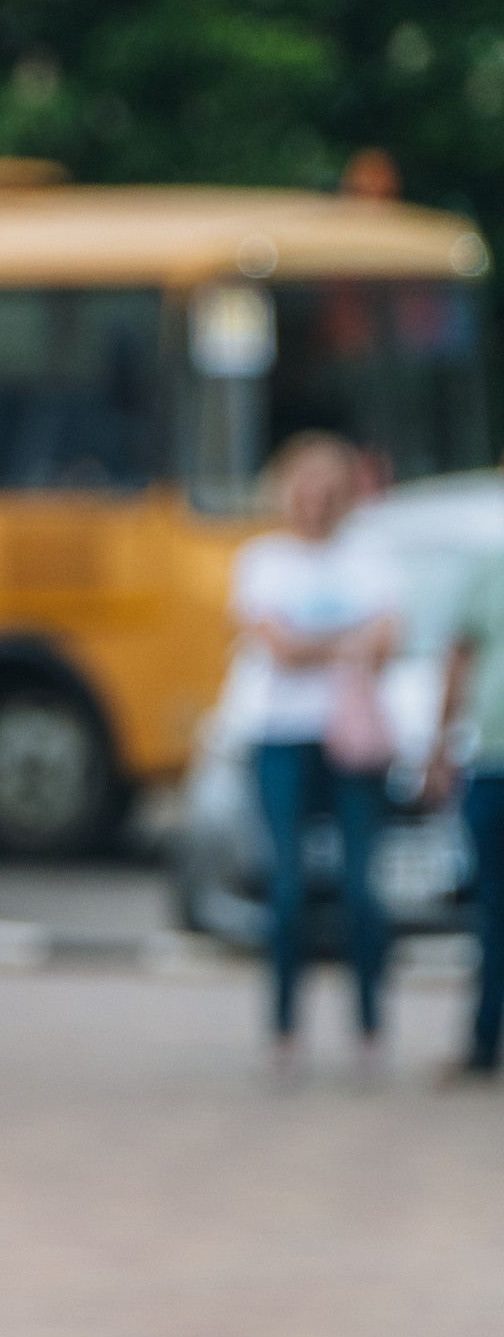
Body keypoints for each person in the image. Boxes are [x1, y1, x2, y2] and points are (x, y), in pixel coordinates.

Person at [227, 432, 404, 1066]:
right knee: (289, 888)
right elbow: (279, 646)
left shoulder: (370, 557)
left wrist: (318, 642)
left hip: (350, 741)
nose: (315, 501)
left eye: (327, 489)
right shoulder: (262, 560)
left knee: (361, 889)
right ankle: (283, 1028)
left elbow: (388, 641)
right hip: (280, 735)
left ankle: (369, 1025)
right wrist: (348, 641)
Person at [425, 541, 504, 1085]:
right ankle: (482, 1045)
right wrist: (441, 744)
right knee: (491, 912)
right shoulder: (489, 572)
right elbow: (461, 656)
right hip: (493, 761)